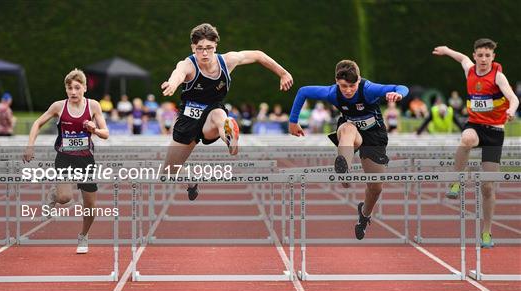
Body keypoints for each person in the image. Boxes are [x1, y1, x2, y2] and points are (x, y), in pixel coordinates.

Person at [160, 23, 293, 200]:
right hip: (189, 119)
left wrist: (283, 73)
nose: (205, 53)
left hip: (212, 115)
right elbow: (178, 73)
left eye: (209, 48)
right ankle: (191, 181)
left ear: (216, 46)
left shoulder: (227, 60)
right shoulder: (188, 64)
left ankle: (229, 137)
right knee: (167, 172)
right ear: (193, 47)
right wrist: (172, 83)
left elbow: (258, 55)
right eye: (200, 49)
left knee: (218, 115)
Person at [288, 60, 408, 240]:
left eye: (352, 85)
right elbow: (303, 91)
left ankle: (365, 214)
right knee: (347, 128)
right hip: (350, 131)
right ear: (337, 81)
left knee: (376, 187)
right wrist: (293, 121)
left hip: (374, 135)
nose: (349, 90)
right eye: (344, 86)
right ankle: (344, 168)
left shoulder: (368, 89)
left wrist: (398, 95)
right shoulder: (332, 93)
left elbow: (401, 87)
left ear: (358, 80)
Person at [433, 38, 519, 248]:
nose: (483, 59)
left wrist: (511, 110)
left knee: (488, 187)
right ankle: (455, 181)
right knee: (467, 138)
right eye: (479, 55)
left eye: (487, 56)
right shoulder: (469, 69)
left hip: (495, 132)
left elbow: (513, 97)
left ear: (493, 57)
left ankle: (486, 232)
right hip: (475, 125)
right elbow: (460, 57)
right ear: (475, 56)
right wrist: (446, 50)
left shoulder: (498, 76)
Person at [22, 69, 109, 254]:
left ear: (85, 88)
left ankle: (83, 235)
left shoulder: (93, 106)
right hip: (64, 157)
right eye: (70, 88)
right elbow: (37, 123)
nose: (73, 92)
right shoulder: (59, 107)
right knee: (65, 198)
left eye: (77, 88)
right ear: (66, 89)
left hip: (86, 159)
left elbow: (106, 134)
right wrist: (30, 145)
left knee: (90, 206)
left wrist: (94, 130)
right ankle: (54, 195)